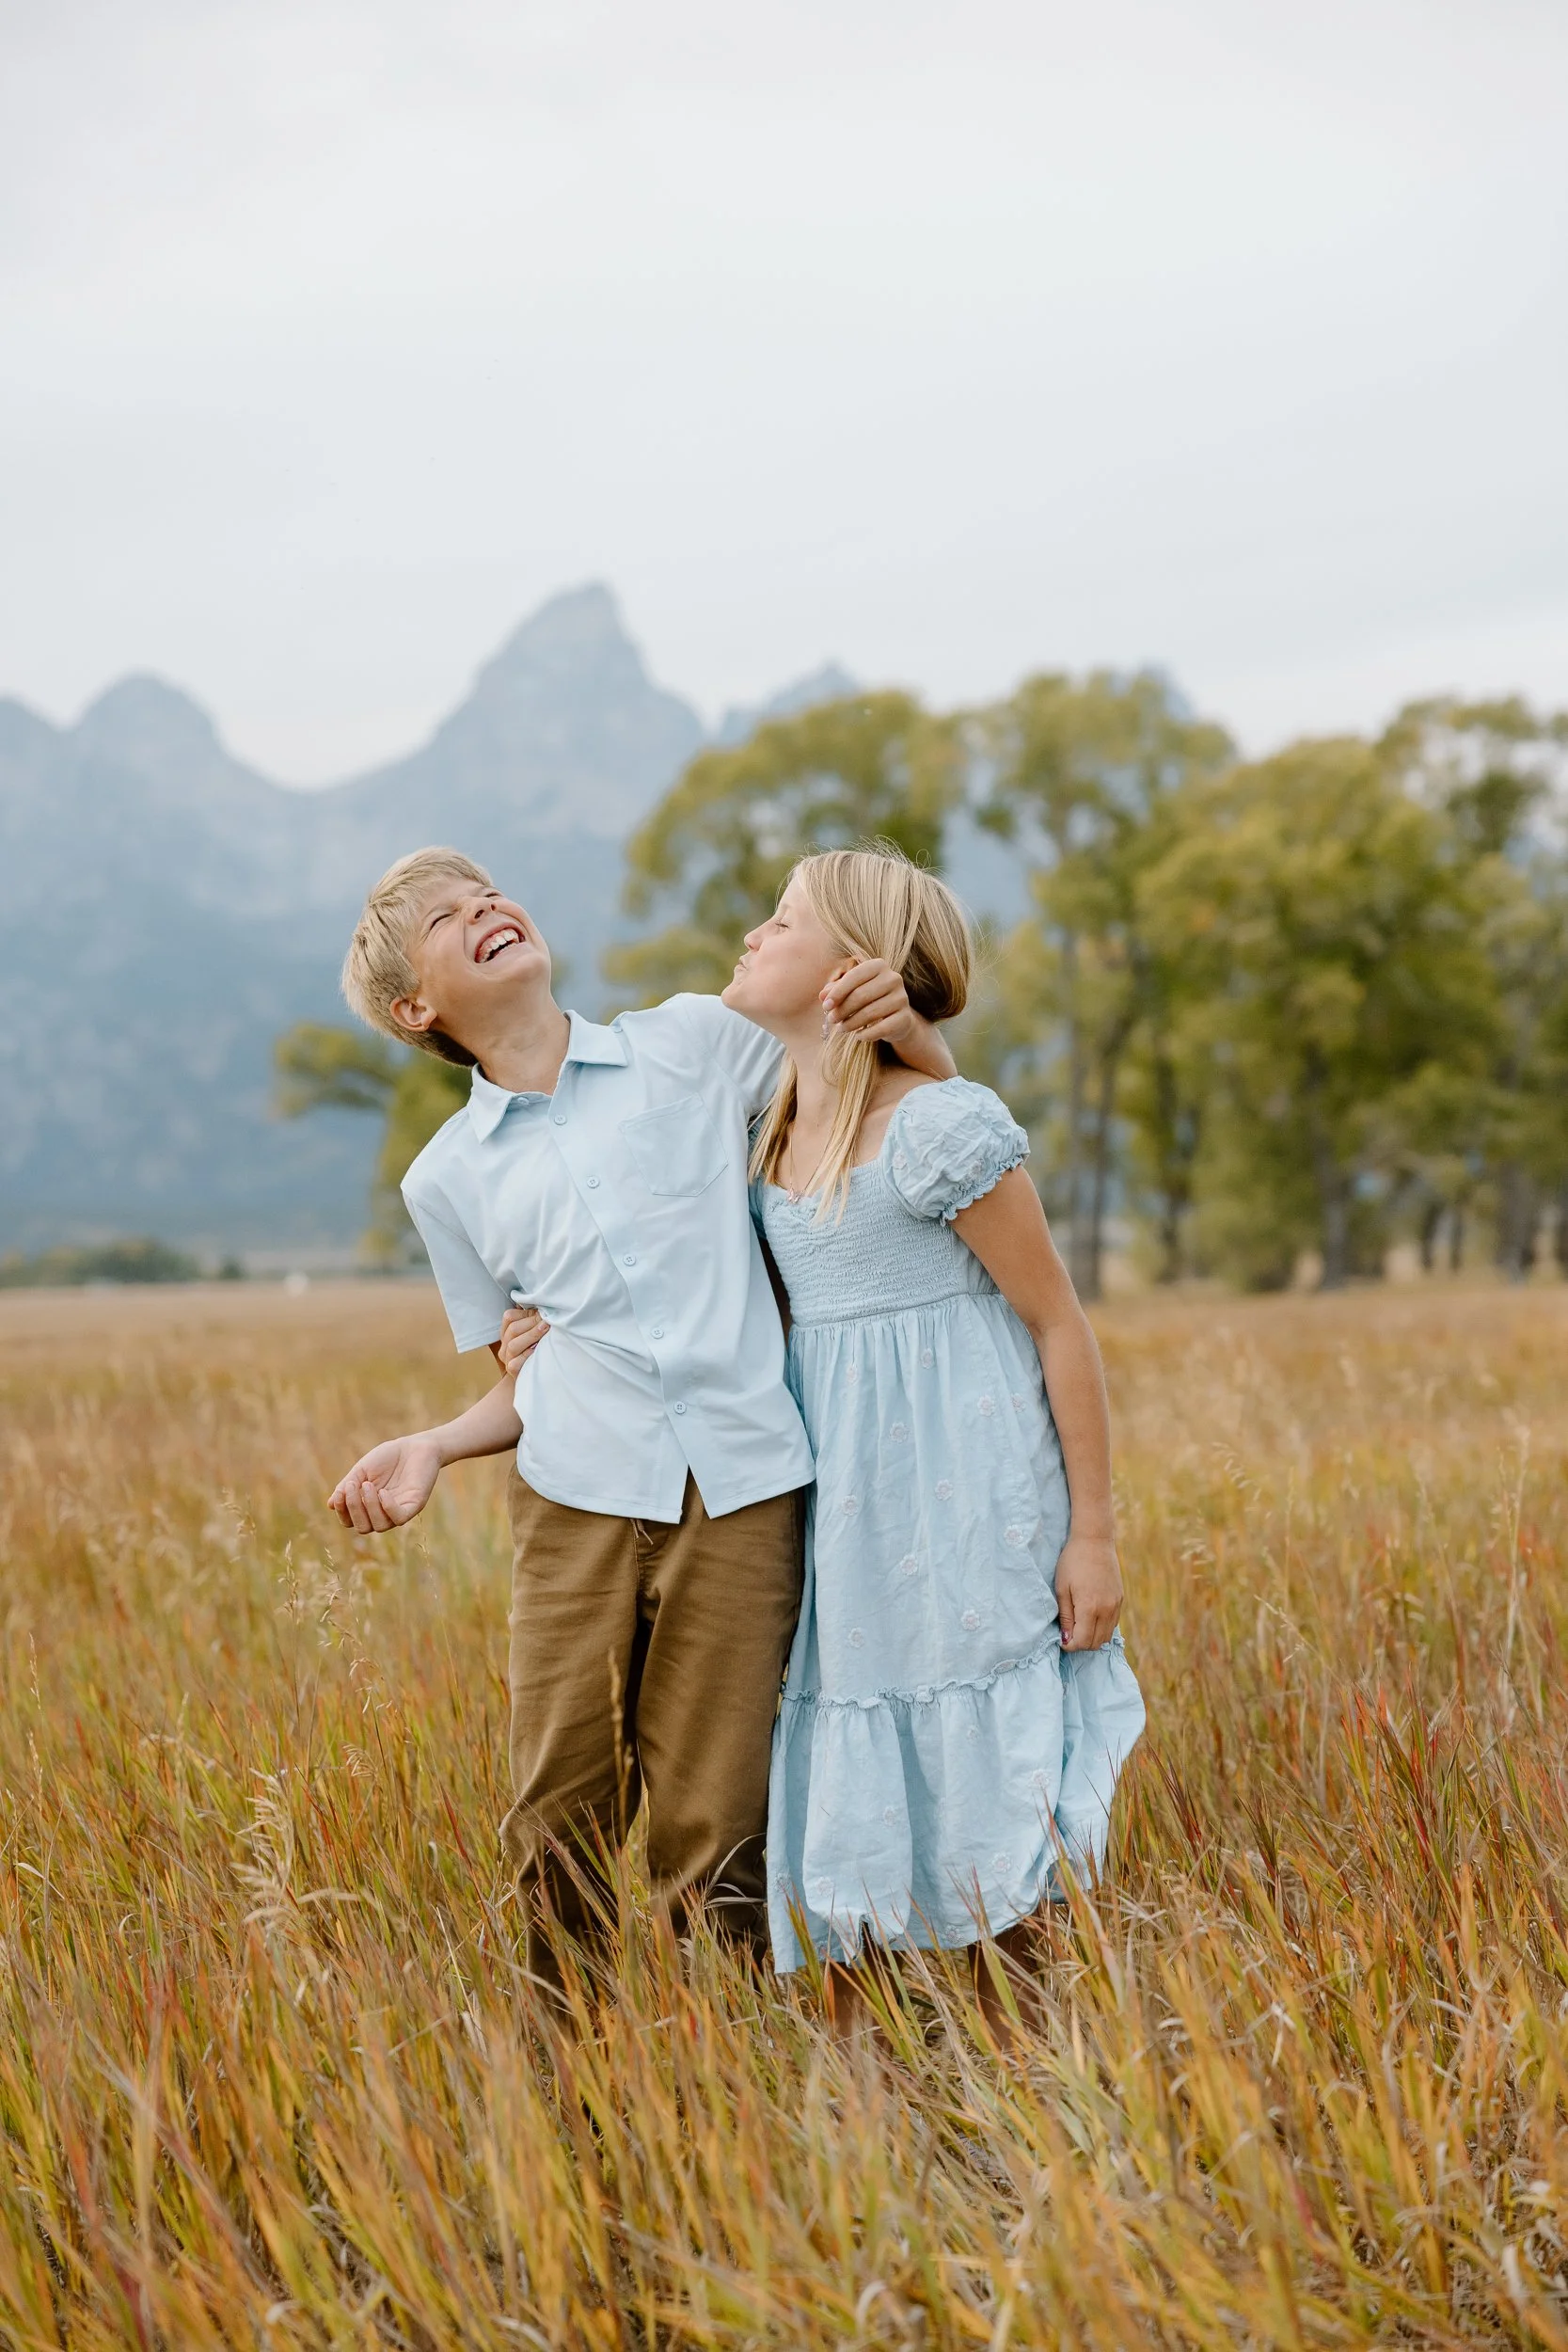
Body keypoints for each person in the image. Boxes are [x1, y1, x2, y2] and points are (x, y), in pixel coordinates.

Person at [325, 845, 955, 1984]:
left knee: (720, 1816)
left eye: (491, 894)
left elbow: (856, 1077)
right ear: (417, 1009)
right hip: (575, 1505)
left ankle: (717, 2072)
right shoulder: (447, 1178)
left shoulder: (694, 1044)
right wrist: (433, 1443)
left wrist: (908, 1025)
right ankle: (568, 2078)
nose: (489, 911)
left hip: (746, 1490)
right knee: (557, 1808)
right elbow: (528, 1368)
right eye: (449, 921)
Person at [707, 844, 1145, 2011]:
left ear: (852, 966)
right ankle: (891, 2094)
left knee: (989, 1804)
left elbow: (1058, 1324)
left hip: (969, 1504)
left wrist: (1090, 1535)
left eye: (781, 918)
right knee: (859, 1771)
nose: (752, 933)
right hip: (845, 1523)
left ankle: (1035, 2075)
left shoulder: (939, 1125)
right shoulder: (763, 1123)